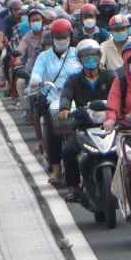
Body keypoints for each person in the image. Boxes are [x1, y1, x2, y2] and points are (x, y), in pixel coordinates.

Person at [53, 38, 114, 200]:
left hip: (109, 124)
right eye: (86, 58)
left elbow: (118, 95)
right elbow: (66, 95)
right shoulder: (74, 80)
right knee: (68, 151)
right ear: (80, 60)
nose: (90, 61)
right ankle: (74, 187)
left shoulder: (110, 76)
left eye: (93, 57)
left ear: (99, 57)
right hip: (84, 125)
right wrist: (64, 109)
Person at [28, 17, 81, 184]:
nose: (61, 40)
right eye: (57, 36)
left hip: (75, 99)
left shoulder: (77, 53)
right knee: (51, 128)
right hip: (53, 99)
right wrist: (36, 80)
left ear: (70, 36)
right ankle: (56, 168)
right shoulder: (44, 57)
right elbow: (36, 73)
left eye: (64, 36)